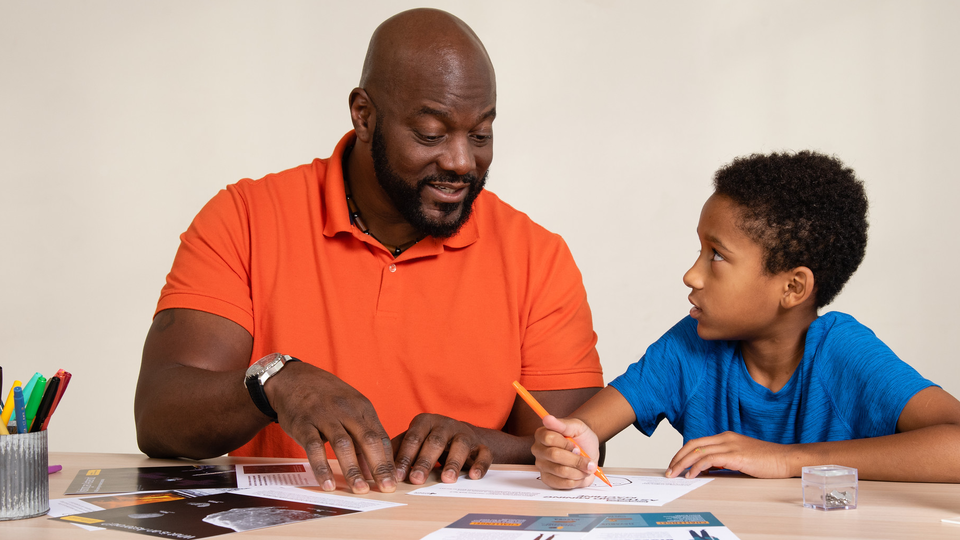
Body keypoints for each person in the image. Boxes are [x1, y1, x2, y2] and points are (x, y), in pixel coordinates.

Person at [134, 8, 603, 495]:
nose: (462, 161)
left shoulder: (537, 256)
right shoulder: (245, 218)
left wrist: (482, 444)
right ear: (363, 115)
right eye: (431, 134)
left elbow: (579, 442)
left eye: (481, 134)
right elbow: (158, 417)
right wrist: (273, 382)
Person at [532, 151, 960, 488]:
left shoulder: (841, 351)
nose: (691, 274)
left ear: (793, 288)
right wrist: (575, 442)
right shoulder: (690, 345)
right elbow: (586, 427)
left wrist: (786, 460)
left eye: (716, 255)